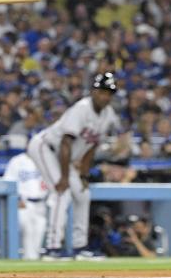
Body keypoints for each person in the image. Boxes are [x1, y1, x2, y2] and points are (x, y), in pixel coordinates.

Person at [27, 72, 119, 256]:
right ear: (93, 91)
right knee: (62, 192)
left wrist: (83, 175)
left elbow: (91, 146)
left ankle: (80, 246)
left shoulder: (108, 115)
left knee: (83, 194)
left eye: (109, 93)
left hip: (63, 157)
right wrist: (64, 177)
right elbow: (66, 142)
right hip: (46, 147)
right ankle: (52, 247)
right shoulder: (81, 109)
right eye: (102, 92)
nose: (105, 96)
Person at [2, 151, 48, 260]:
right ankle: (29, 258)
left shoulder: (46, 159)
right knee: (28, 229)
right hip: (23, 202)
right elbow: (8, 181)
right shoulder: (17, 161)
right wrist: (17, 198)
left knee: (40, 229)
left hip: (42, 203)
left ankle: (33, 258)